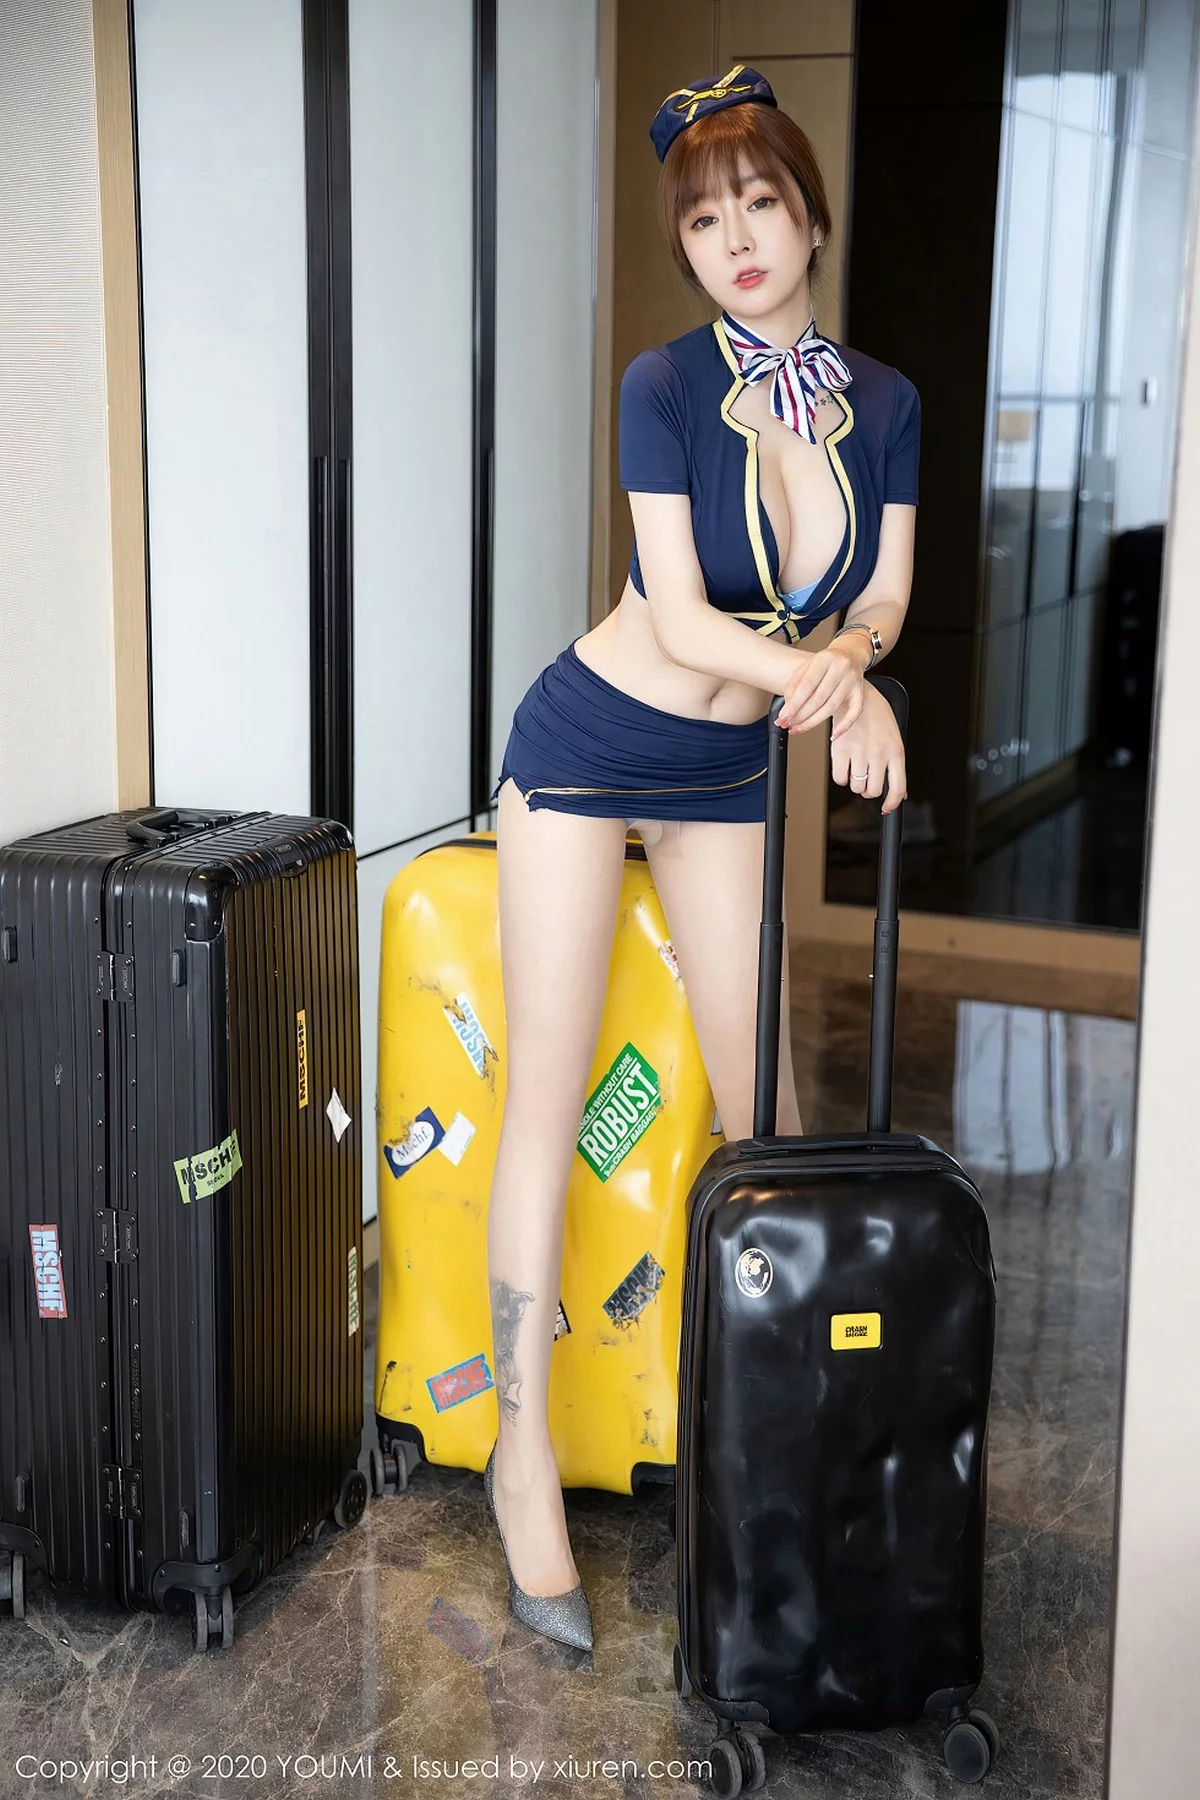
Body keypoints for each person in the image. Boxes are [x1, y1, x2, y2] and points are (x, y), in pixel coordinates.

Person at [482, 65, 919, 1652]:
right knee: (547, 1098)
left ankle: (774, 1444)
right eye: (704, 219)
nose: (735, 238)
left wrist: (855, 666)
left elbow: (884, 594)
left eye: (760, 203)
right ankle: (519, 1455)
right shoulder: (662, 385)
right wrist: (840, 692)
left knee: (770, 1124)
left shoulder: (886, 404)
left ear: (811, 215)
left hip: (730, 777)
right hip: (591, 749)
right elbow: (676, 616)